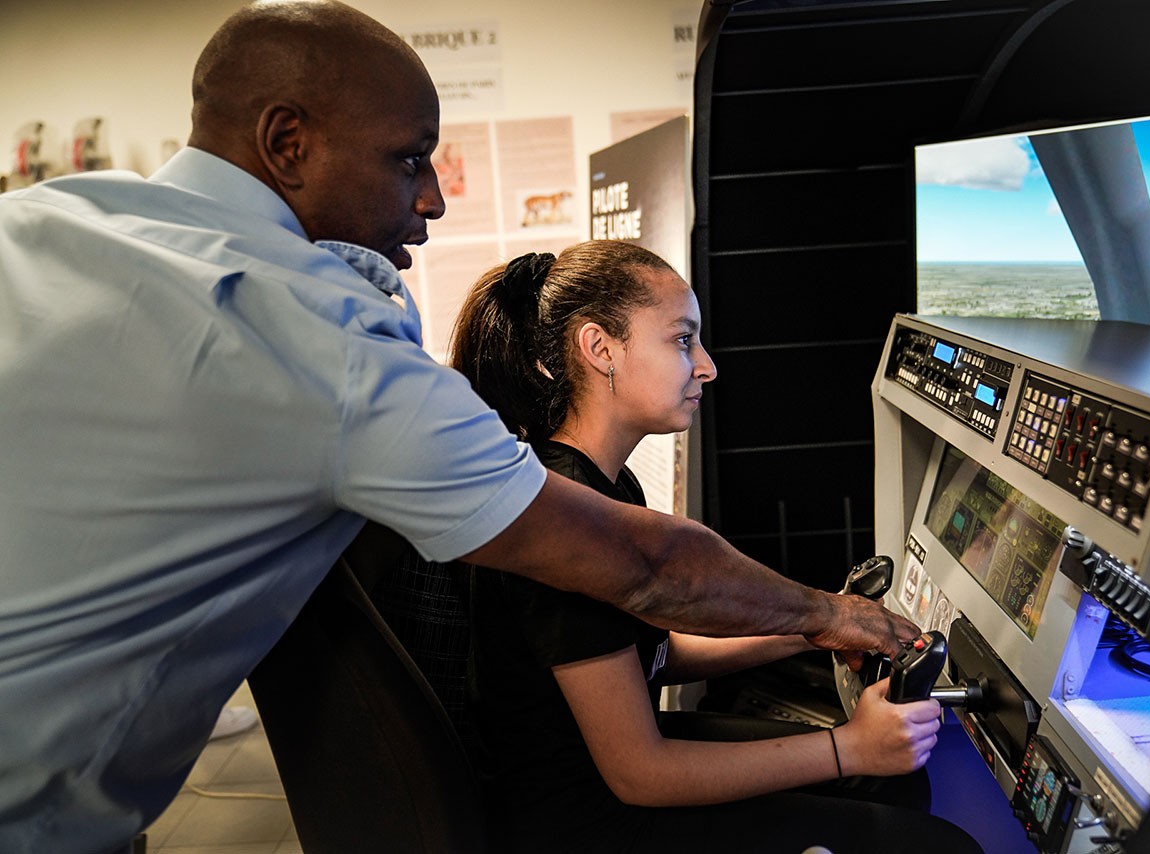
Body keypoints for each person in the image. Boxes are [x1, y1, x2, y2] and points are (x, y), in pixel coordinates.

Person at [0, 3, 921, 853]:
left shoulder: (42, 222)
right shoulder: (315, 336)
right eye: (409, 160)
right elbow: (643, 569)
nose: (434, 201)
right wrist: (831, 615)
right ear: (288, 143)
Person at [441, 242, 982, 853]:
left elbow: (653, 654)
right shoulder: (565, 517)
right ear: (600, 349)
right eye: (680, 340)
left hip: (601, 793)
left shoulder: (604, 484)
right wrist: (849, 746)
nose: (707, 366)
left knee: (887, 788)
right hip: (589, 827)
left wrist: (812, 629)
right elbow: (639, 773)